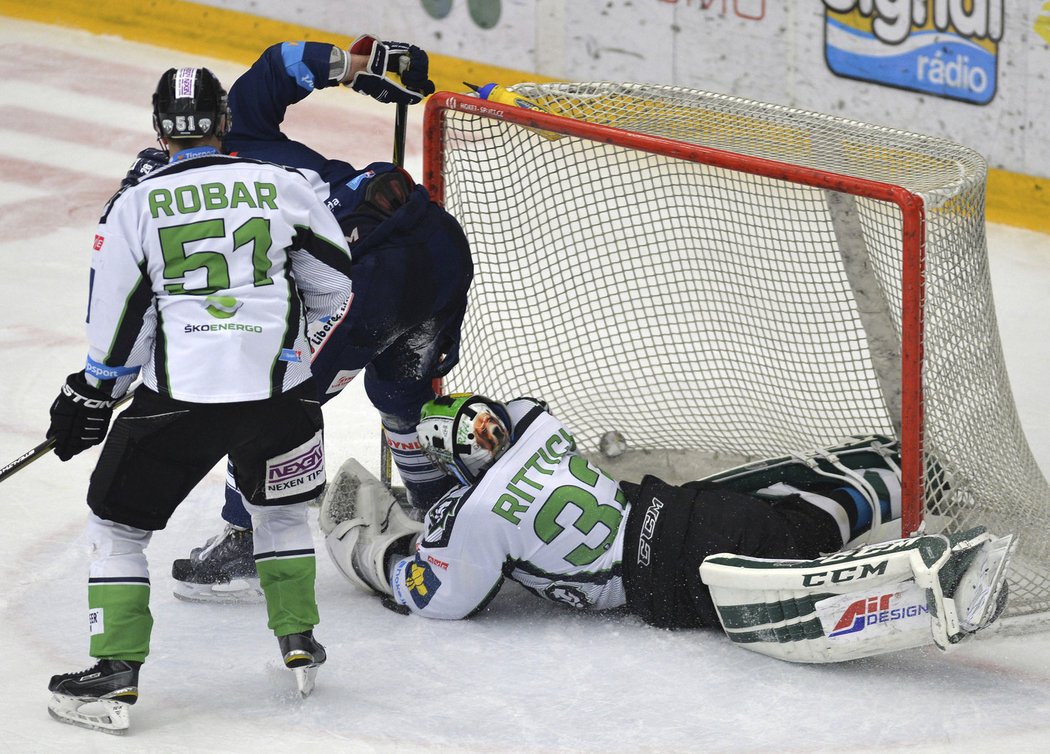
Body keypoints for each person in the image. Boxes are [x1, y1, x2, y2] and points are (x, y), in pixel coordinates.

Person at [44, 66, 352, 734]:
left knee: (119, 528)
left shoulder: (137, 205)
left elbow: (122, 321)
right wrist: (292, 350)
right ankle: (298, 639)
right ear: (223, 121)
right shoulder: (285, 185)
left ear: (159, 127)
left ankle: (115, 673)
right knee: (281, 515)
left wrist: (95, 392)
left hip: (181, 399)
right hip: (281, 397)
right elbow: (334, 287)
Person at [140, 37, 472, 602]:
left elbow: (146, 272)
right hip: (436, 242)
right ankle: (440, 505)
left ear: (161, 131)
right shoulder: (241, 122)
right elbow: (281, 63)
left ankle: (246, 539)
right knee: (400, 388)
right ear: (222, 117)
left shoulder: (161, 189)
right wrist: (366, 65)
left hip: (366, 281)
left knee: (264, 401)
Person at [322, 393, 1015, 663]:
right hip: (681, 507)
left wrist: (378, 549)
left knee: (797, 574)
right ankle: (896, 473)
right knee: (787, 518)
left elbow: (433, 597)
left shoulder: (477, 519)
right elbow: (504, 416)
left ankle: (929, 584)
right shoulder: (533, 422)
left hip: (666, 580)